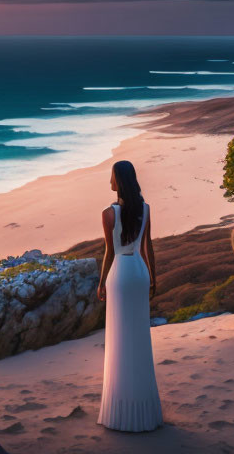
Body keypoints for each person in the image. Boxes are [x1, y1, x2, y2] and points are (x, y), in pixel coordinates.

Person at [96, 160, 164, 431]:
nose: (109, 182)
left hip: (121, 275)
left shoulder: (109, 213)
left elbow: (109, 253)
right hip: (139, 272)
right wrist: (153, 278)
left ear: (119, 181)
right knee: (139, 339)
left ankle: (121, 409)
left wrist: (101, 283)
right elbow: (148, 248)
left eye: (111, 177)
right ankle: (144, 407)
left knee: (119, 339)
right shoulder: (145, 209)